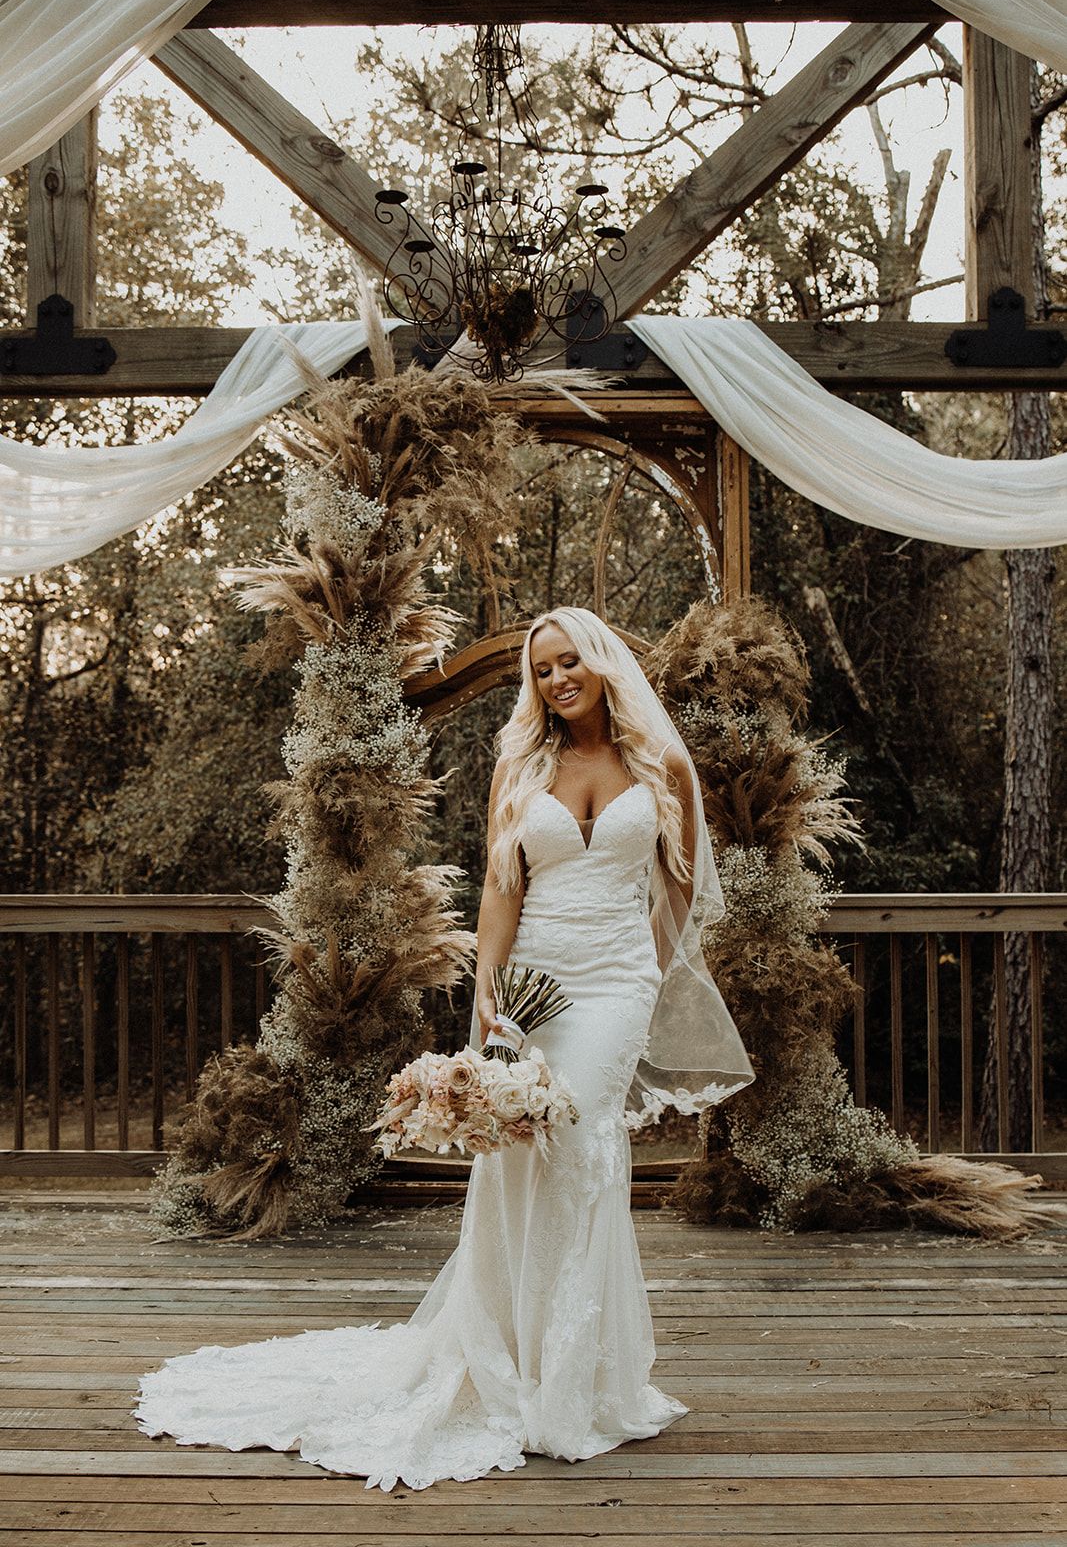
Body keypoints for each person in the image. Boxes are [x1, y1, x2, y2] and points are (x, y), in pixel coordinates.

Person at [133, 604, 756, 1491]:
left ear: (604, 665)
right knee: (516, 1158)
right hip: (533, 983)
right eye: (542, 669)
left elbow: (682, 889)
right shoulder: (520, 764)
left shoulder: (660, 767)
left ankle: (575, 1380)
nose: (557, 679)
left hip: (616, 985)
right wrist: (490, 1001)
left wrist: (646, 979)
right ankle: (503, 1353)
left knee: (580, 1150)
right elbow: (502, 890)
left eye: (570, 661)